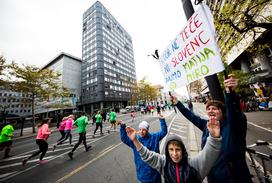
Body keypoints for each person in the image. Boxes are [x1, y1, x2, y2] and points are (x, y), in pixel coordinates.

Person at [172, 75, 252, 183]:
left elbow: (234, 111)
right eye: (208, 109)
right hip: (213, 177)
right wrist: (178, 103)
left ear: (223, 112)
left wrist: (229, 93)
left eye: (214, 108)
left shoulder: (232, 125)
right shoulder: (207, 126)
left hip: (234, 178)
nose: (210, 111)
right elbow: (191, 116)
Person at [126, 116, 222, 183]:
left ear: (183, 150)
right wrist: (135, 140)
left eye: (178, 149)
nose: (174, 154)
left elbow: (209, 154)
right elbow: (147, 155)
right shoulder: (164, 164)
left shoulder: (194, 164)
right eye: (171, 149)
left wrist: (214, 138)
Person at [117, 114, 167, 183]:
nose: (141, 131)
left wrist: (162, 120)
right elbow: (124, 139)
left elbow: (163, 132)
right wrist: (122, 126)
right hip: (142, 176)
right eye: (140, 129)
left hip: (155, 175)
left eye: (144, 130)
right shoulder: (136, 140)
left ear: (147, 130)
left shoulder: (154, 137)